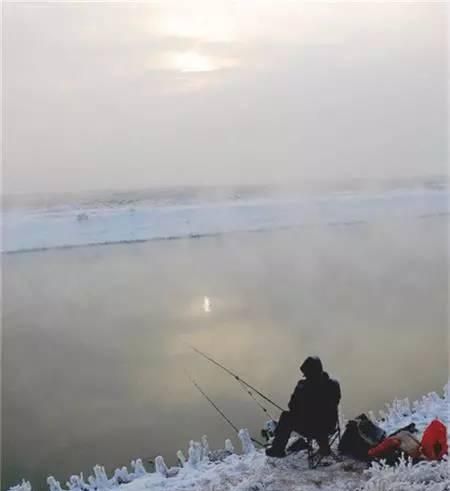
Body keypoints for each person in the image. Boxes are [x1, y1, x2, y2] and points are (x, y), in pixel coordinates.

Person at [265, 356, 341, 458]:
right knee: (320, 419)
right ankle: (324, 446)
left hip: (311, 428)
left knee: (286, 416)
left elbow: (292, 406)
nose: (304, 376)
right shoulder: (333, 385)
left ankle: (277, 450)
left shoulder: (303, 386)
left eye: (306, 373)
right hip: (330, 426)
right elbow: (334, 402)